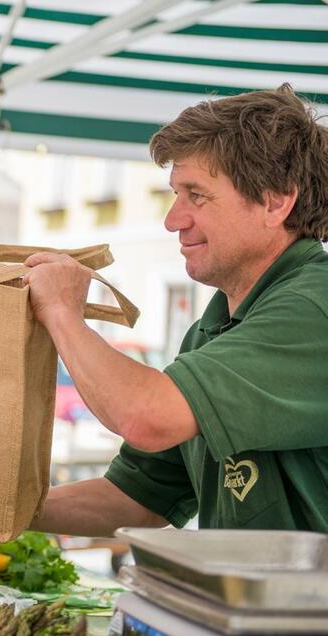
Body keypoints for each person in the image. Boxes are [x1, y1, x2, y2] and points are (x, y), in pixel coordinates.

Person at [23, 84, 328, 539]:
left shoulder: (312, 307)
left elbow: (146, 416)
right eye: (174, 194)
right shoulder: (216, 325)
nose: (173, 219)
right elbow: (138, 500)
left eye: (196, 195)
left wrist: (63, 312)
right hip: (251, 607)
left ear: (275, 200)